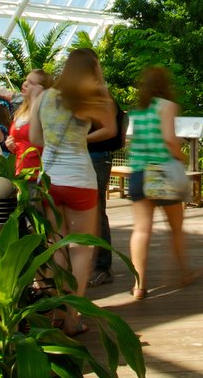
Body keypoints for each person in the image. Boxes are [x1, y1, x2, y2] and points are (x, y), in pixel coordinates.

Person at [29, 48, 116, 335]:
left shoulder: (43, 97)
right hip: (80, 180)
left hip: (50, 181)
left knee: (58, 246)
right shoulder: (93, 99)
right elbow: (111, 130)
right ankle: (72, 317)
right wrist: (83, 139)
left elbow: (35, 138)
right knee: (81, 251)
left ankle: (56, 310)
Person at [128, 66, 199, 300]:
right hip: (161, 172)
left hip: (139, 173)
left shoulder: (138, 112)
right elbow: (170, 140)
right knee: (176, 229)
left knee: (140, 230)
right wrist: (182, 157)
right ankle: (184, 273)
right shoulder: (167, 106)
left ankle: (139, 285)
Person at [86, 54, 127, 288]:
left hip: (96, 157)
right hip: (87, 158)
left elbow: (110, 130)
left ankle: (102, 266)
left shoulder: (100, 95)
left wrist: (78, 138)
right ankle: (93, 264)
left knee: (96, 212)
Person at [5, 69, 51, 181]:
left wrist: (36, 99)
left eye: (31, 83)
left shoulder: (47, 113)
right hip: (21, 172)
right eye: (26, 80)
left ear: (42, 89)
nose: (25, 84)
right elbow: (22, 144)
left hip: (40, 176)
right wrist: (12, 146)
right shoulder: (21, 111)